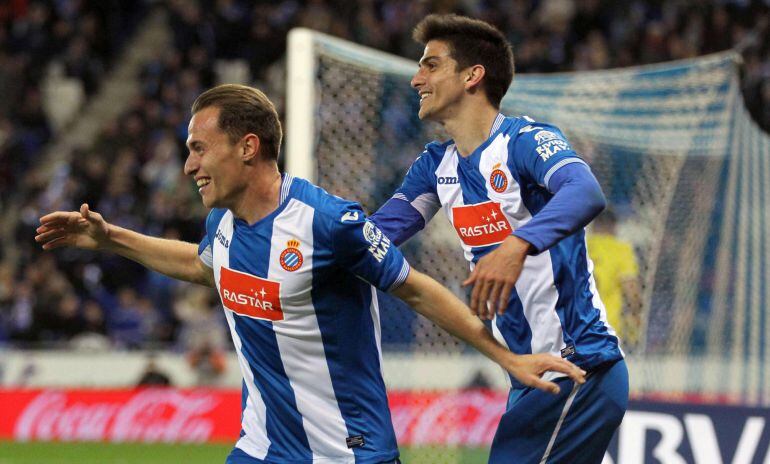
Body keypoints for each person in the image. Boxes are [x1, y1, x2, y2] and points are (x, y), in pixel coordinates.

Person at [36, 84, 585, 464]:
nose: (189, 165)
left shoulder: (329, 222)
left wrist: (508, 358)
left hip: (349, 451)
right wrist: (113, 239)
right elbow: (205, 266)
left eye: (199, 148)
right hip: (262, 448)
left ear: (247, 148)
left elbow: (417, 291)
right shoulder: (222, 221)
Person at [369, 14, 628, 464]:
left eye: (431, 65)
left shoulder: (525, 140)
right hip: (530, 379)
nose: (415, 80)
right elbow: (376, 237)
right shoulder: (435, 166)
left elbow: (585, 191)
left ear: (473, 75)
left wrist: (516, 244)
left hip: (578, 368)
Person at [586, 209, 642, 349]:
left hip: (575, 328)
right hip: (606, 329)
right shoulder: (621, 250)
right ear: (614, 226)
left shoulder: (581, 246)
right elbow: (631, 289)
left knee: (567, 355)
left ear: (594, 225)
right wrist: (636, 315)